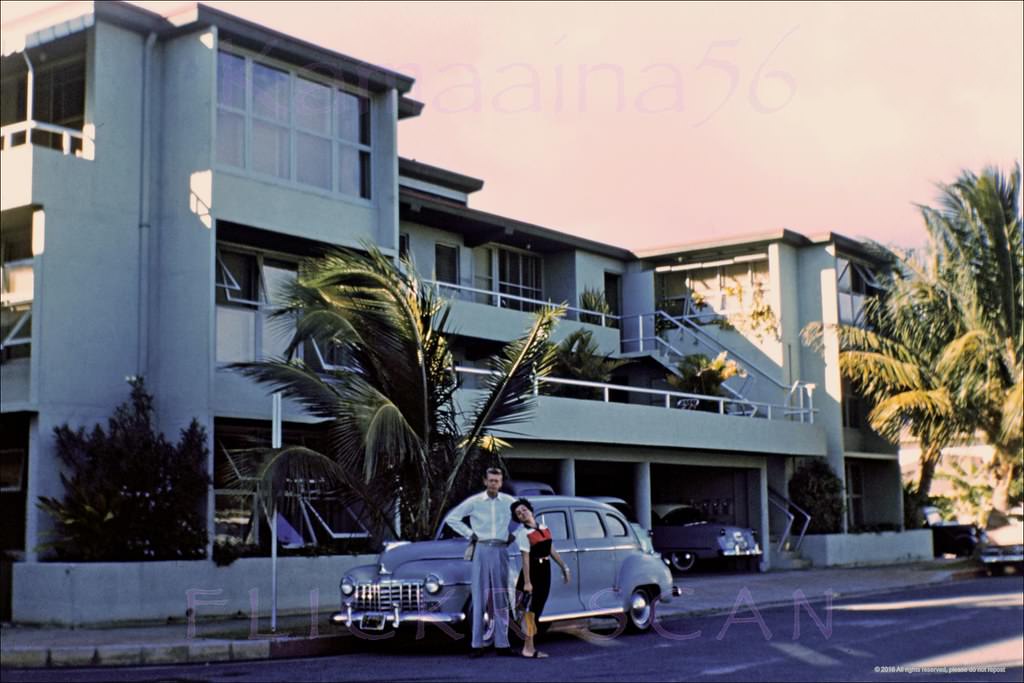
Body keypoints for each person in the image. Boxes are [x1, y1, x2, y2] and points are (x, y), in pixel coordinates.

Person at [444, 467, 519, 657]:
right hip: (482, 548)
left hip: (501, 549)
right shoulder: (475, 502)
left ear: (501, 483)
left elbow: (527, 516)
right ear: (485, 482)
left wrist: (514, 535)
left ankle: (503, 644)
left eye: (497, 480)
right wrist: (471, 534)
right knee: (479, 596)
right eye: (491, 480)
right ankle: (477, 644)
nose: (494, 484)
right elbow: (452, 518)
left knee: (501, 596)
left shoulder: (509, 502)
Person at [511, 497, 570, 659]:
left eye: (523, 510)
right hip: (532, 572)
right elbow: (525, 558)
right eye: (518, 513)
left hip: (545, 571)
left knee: (537, 610)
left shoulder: (543, 527)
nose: (522, 513)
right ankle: (528, 648)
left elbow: (551, 548)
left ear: (530, 510)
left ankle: (528, 646)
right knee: (530, 612)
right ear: (517, 518)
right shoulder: (523, 533)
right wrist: (528, 582)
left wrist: (564, 566)